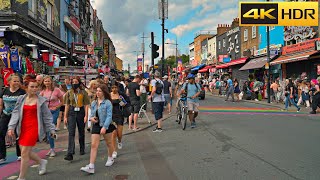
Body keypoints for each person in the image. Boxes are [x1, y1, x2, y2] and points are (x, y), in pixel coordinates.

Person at [7, 77, 56, 179]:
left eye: (36, 87)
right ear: (26, 88)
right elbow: (15, 113)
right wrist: (11, 127)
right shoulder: (21, 99)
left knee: (24, 153)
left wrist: (51, 129)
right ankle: (41, 161)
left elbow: (47, 117)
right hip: (22, 128)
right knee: (25, 152)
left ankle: (21, 177)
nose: (34, 89)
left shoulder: (41, 101)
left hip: (34, 128)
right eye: (32, 87)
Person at [80, 84, 116, 174]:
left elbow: (109, 116)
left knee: (109, 143)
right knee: (93, 145)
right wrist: (91, 118)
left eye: (100, 91)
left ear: (104, 92)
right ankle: (91, 166)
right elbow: (91, 114)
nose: (98, 93)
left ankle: (110, 157)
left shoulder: (107, 102)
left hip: (106, 125)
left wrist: (104, 127)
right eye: (97, 91)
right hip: (96, 125)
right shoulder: (94, 103)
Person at [0, 73, 25, 163]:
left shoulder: (22, 92)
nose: (16, 83)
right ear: (9, 82)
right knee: (1, 133)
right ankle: (2, 156)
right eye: (14, 81)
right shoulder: (5, 91)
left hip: (17, 116)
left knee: (18, 134)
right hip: (5, 114)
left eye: (18, 81)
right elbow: (1, 104)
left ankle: (20, 154)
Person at [64, 76, 90, 161]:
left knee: (81, 131)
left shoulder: (83, 92)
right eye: (73, 82)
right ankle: (70, 152)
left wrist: (86, 116)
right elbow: (67, 105)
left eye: (76, 82)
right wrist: (65, 116)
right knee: (71, 132)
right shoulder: (69, 92)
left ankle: (82, 148)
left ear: (79, 83)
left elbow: (86, 104)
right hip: (71, 112)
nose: (74, 84)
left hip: (81, 111)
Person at [40, 76, 64, 157]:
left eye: (48, 81)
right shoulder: (42, 91)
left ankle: (52, 149)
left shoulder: (56, 90)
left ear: (51, 82)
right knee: (48, 130)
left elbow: (62, 101)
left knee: (50, 127)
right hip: (46, 112)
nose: (47, 83)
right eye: (45, 81)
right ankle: (51, 147)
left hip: (54, 111)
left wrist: (57, 107)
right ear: (43, 82)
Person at [110, 82, 128, 159]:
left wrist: (121, 101)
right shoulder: (108, 96)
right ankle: (114, 151)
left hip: (120, 115)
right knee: (113, 133)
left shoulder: (120, 95)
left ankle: (119, 141)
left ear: (118, 88)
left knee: (119, 134)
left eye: (115, 87)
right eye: (113, 87)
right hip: (111, 116)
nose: (114, 89)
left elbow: (124, 104)